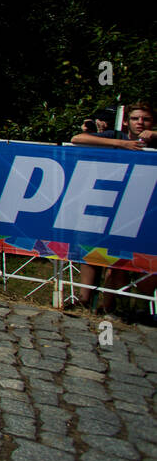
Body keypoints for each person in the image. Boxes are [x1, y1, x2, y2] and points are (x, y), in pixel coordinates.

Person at [67, 103, 157, 315]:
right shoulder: (115, 135)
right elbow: (77, 139)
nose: (140, 123)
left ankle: (129, 305)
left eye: (145, 119)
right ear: (127, 121)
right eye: (135, 118)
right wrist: (120, 144)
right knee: (94, 251)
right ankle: (85, 299)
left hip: (145, 207)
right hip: (108, 201)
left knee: (130, 258)